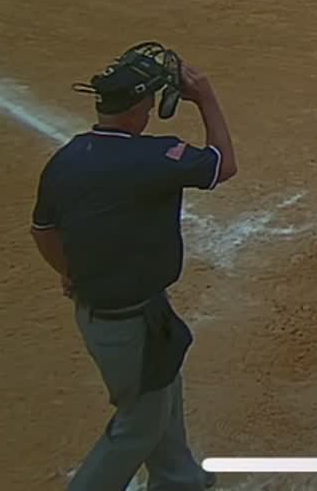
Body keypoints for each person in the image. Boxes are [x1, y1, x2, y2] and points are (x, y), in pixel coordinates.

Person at [32, 45, 238, 491]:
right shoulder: (154, 159)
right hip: (128, 326)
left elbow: (43, 231)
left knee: (163, 398)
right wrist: (205, 97)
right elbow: (223, 164)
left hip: (115, 312)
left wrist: (69, 272)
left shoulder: (67, 157)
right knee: (137, 428)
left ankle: (179, 482)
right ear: (141, 108)